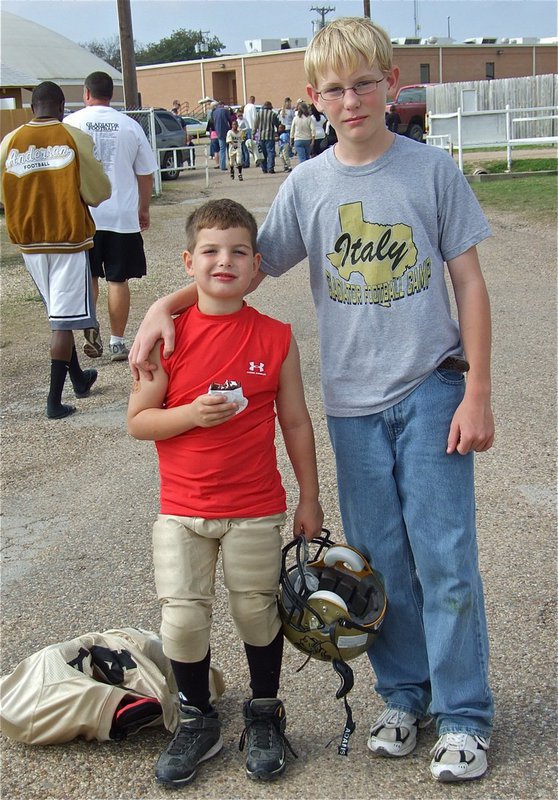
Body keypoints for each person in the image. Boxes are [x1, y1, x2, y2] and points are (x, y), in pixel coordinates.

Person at [130, 16, 496, 784]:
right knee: (378, 564)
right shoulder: (309, 183)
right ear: (313, 99)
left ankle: (464, 713)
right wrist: (166, 304)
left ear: (392, 84)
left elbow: (468, 282)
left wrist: (479, 392)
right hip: (353, 405)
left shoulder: (431, 173)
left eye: (365, 83)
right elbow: (239, 271)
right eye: (335, 89)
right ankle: (405, 696)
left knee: (447, 558)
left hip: (432, 387)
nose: (352, 99)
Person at [127, 198, 323, 788]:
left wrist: (308, 497)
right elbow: (139, 421)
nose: (224, 261)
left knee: (256, 611)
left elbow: (296, 422)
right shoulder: (167, 335)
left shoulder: (275, 336)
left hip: (254, 507)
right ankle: (197, 719)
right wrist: (189, 415)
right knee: (183, 620)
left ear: (256, 263)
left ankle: (264, 713)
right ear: (188, 261)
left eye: (238, 252)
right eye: (210, 251)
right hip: (183, 510)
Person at [0, 81, 111, 419]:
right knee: (62, 322)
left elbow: (4, 196)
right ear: (62, 107)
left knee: (59, 310)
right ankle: (53, 402)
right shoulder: (73, 138)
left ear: (34, 107)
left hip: (28, 241)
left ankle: (78, 378)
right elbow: (96, 191)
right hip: (66, 238)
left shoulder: (9, 142)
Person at [65, 72, 158, 363]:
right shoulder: (130, 126)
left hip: (84, 214)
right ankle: (118, 341)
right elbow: (145, 174)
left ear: (86, 93)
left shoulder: (70, 124)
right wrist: (143, 208)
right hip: (121, 213)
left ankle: (90, 324)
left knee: (89, 275)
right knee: (118, 279)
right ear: (110, 94)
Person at [253, 101, 280, 174]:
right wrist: (278, 132)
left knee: (262, 153)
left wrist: (253, 134)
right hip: (270, 136)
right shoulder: (272, 114)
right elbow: (277, 124)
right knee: (271, 152)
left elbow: (255, 125)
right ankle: (270, 168)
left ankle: (264, 168)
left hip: (261, 136)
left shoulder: (259, 114)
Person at [207, 100, 231, 171]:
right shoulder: (225, 111)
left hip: (218, 133)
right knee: (229, 149)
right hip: (226, 132)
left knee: (222, 149)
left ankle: (222, 166)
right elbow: (229, 120)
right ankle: (231, 163)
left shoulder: (214, 113)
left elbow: (212, 124)